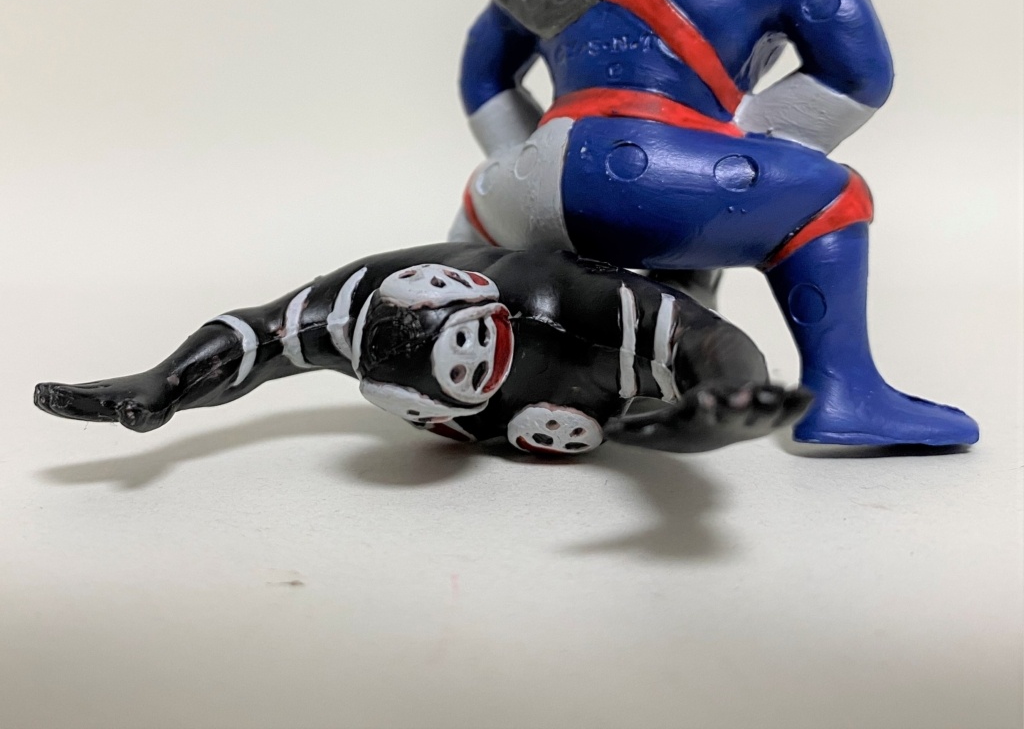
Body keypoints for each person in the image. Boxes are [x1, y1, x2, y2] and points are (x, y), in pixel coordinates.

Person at [453, 0, 977, 447]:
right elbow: (861, 77)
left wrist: (529, 158)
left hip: (518, 192)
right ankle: (846, 393)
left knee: (474, 237)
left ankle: (460, 344)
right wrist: (754, 132)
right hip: (658, 182)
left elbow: (481, 75)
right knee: (831, 196)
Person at [35, 244, 808, 456]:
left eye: (474, 344)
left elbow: (708, 339)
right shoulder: (354, 319)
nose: (484, 360)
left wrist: (720, 398)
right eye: (470, 374)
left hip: (604, 283)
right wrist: (168, 384)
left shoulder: (569, 304)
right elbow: (262, 336)